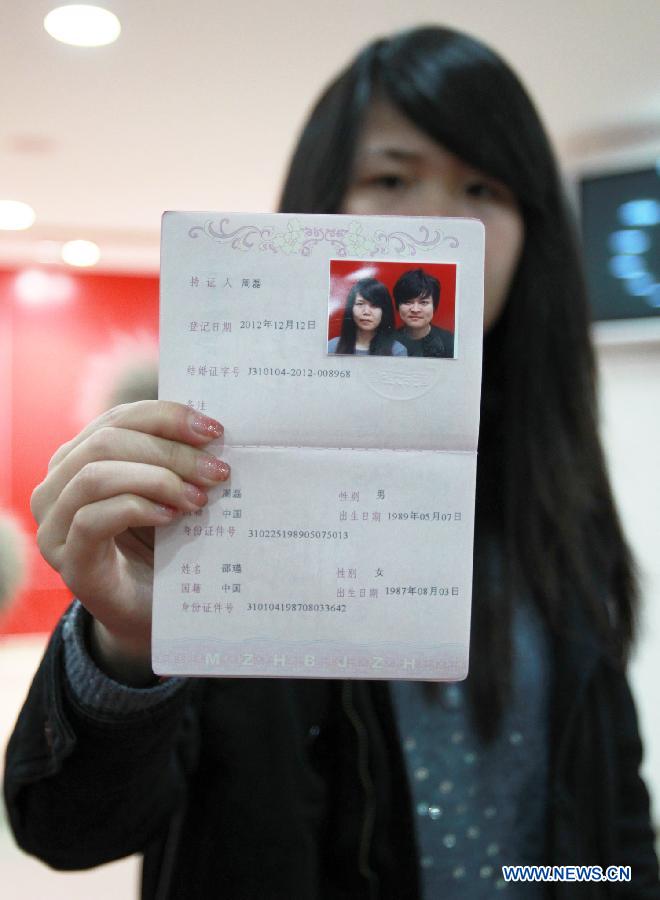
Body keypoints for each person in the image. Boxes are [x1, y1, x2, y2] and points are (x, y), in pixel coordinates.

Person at [4, 25, 659, 900]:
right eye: (391, 177)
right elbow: (69, 832)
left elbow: (608, 807)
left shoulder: (555, 483)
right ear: (323, 206)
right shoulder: (206, 471)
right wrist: (127, 648)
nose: (441, 219)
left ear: (530, 225)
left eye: (483, 186)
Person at [328, 276, 407, 355]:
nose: (366, 312)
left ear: (384, 311)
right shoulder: (332, 347)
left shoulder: (397, 351)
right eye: (360, 304)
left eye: (374, 305)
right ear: (351, 308)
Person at [393, 268, 454, 358]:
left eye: (423, 302)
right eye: (408, 302)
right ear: (398, 305)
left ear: (434, 306)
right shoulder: (388, 342)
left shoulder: (450, 342)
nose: (415, 309)